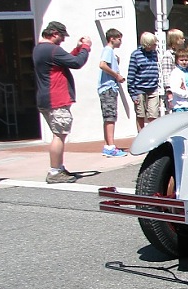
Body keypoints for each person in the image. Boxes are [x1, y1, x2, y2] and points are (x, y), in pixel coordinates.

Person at [32, 21, 92, 184]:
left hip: (46, 98)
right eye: (62, 36)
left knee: (58, 134)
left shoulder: (40, 49)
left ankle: (58, 167)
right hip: (56, 99)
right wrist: (86, 47)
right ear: (54, 34)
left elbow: (66, 59)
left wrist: (78, 48)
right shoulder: (51, 50)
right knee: (59, 135)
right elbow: (77, 63)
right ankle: (55, 171)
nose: (63, 40)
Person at [97, 28, 127, 158]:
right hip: (108, 88)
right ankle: (110, 146)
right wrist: (117, 76)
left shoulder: (111, 53)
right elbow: (102, 65)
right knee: (110, 117)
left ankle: (108, 144)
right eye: (119, 39)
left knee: (109, 116)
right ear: (112, 39)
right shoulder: (108, 50)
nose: (121, 41)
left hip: (109, 88)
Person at [127, 32, 161, 130]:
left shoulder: (155, 53)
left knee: (153, 114)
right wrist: (132, 94)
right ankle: (140, 135)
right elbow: (131, 75)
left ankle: (152, 135)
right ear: (147, 44)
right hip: (139, 89)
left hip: (153, 88)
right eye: (154, 44)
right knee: (140, 114)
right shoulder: (136, 55)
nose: (156, 46)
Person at [161, 28, 186, 114]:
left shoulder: (181, 54)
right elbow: (166, 74)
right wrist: (169, 93)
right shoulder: (168, 55)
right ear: (175, 40)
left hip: (182, 90)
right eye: (181, 38)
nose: (184, 40)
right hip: (174, 92)